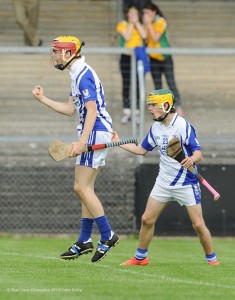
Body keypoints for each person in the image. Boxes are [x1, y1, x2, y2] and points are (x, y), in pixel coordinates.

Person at [32, 36, 119, 262]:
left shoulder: (83, 75)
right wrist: (43, 99)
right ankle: (84, 240)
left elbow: (91, 111)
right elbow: (71, 109)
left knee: (81, 187)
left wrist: (82, 142)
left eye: (56, 52)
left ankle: (108, 234)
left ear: (69, 54)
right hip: (91, 131)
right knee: (84, 187)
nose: (54, 55)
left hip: (95, 132)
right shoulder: (76, 74)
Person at [112, 89, 219, 266]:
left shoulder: (183, 125)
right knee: (147, 219)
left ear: (166, 105)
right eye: (149, 105)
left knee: (198, 225)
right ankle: (140, 258)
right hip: (163, 182)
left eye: (154, 105)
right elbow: (142, 150)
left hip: (186, 182)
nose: (150, 109)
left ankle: (212, 260)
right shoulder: (156, 128)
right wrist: (119, 141)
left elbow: (198, 153)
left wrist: (191, 159)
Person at [142, 2, 183, 116]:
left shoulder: (161, 21)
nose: (145, 15)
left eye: (147, 12)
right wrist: (146, 25)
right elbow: (145, 38)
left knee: (171, 82)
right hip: (153, 57)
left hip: (165, 57)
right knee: (157, 85)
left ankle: (177, 106)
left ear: (154, 12)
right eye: (144, 13)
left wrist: (149, 24)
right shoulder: (147, 23)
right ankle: (161, 108)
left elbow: (155, 38)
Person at [116, 4, 147, 123]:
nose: (133, 16)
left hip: (138, 56)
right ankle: (127, 110)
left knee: (139, 83)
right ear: (127, 14)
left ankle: (137, 112)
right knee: (126, 83)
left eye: (135, 14)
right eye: (131, 13)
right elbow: (127, 37)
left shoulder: (140, 25)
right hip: (126, 57)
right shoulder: (122, 25)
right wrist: (131, 23)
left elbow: (144, 36)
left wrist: (137, 23)